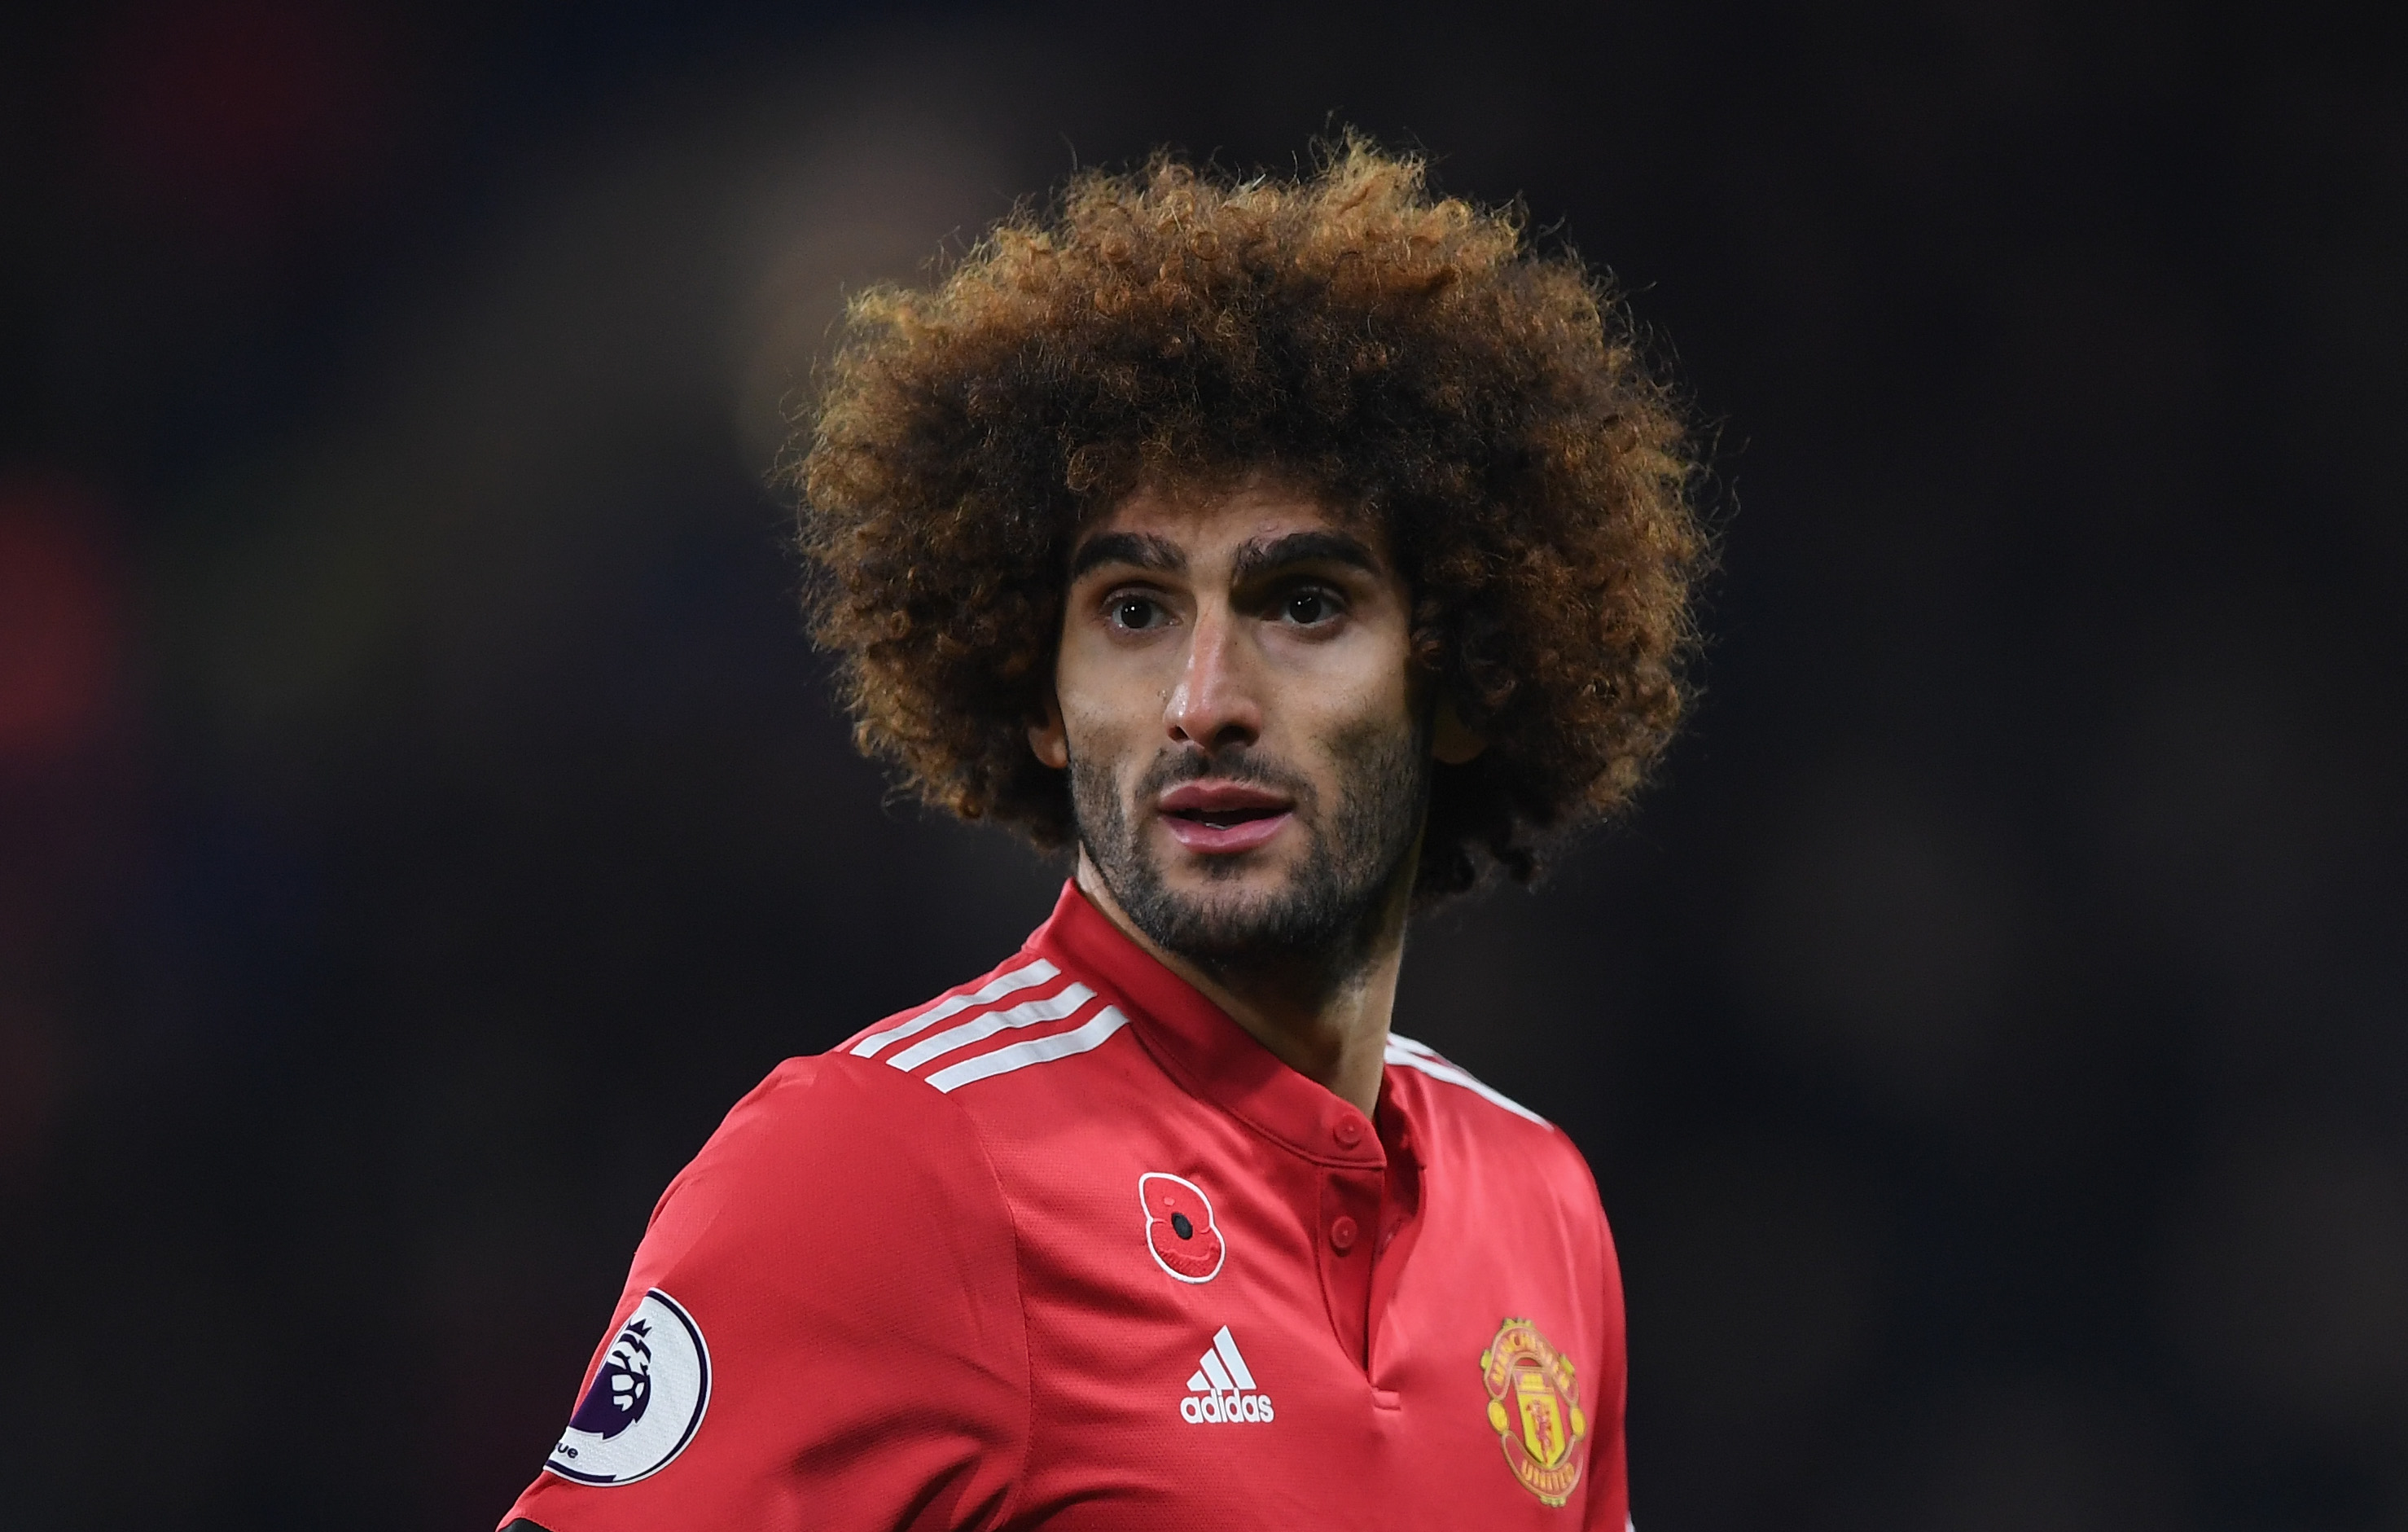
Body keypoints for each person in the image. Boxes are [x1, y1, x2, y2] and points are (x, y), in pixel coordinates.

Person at [499, 137, 1704, 1532]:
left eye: (1303, 604)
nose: (1205, 704)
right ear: (1040, 698)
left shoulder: (1538, 1204)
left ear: (1461, 678)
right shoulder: (884, 1166)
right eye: (1132, 611)